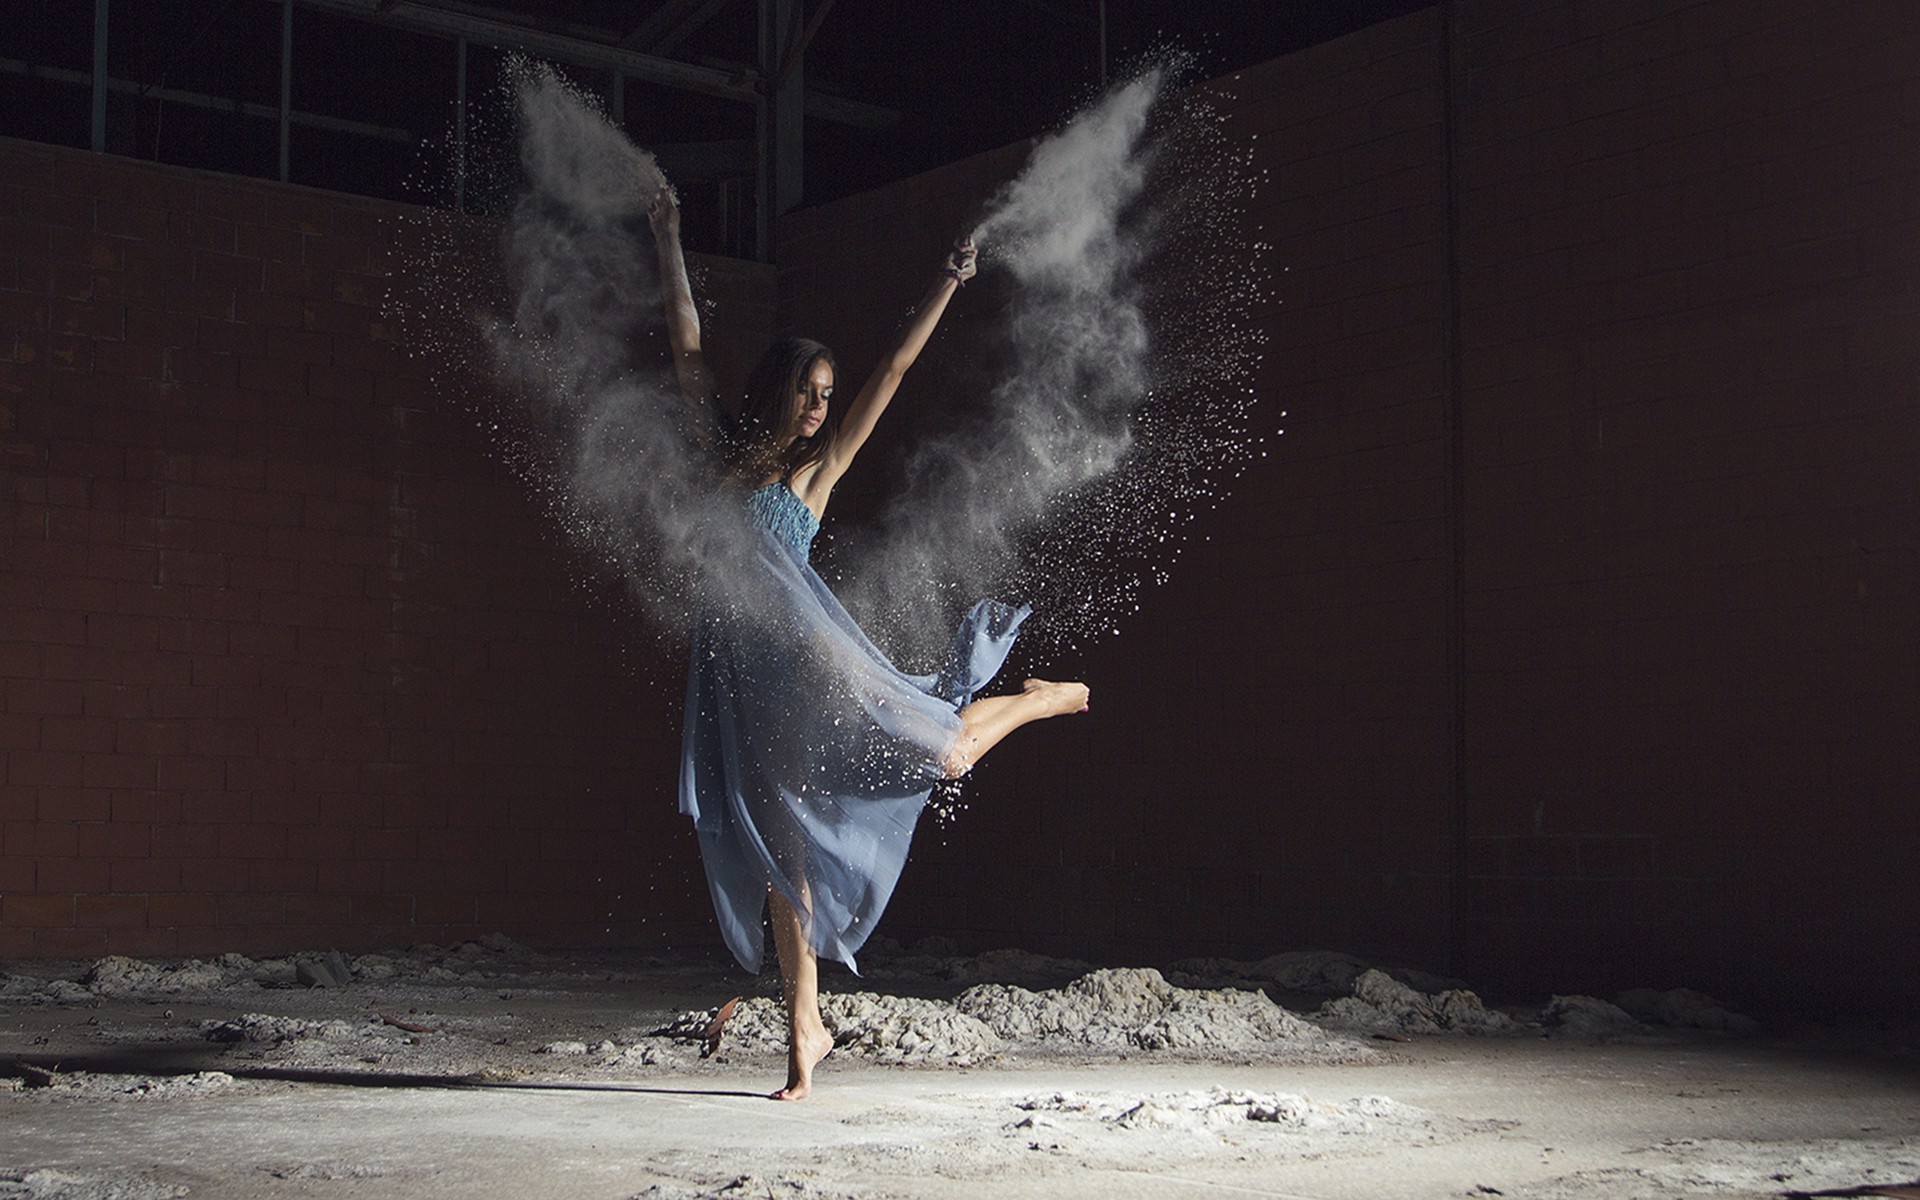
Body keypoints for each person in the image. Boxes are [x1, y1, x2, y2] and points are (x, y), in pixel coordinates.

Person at [648, 186, 1089, 1100]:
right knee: (785, 861)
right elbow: (687, 348)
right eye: (808, 393)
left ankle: (1042, 696)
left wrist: (947, 279)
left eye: (825, 397)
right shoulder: (721, 459)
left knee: (949, 755)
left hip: (815, 674)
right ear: (778, 390)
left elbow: (890, 371)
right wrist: (669, 238)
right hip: (741, 691)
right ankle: (805, 1031)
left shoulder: (814, 477)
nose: (819, 407)